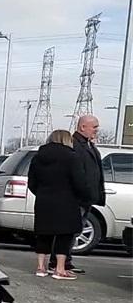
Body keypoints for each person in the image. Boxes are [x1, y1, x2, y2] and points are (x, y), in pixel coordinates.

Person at [28, 129, 90, 280]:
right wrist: (83, 197)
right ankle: (59, 269)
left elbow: (32, 182)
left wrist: (42, 193)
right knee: (65, 234)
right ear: (67, 140)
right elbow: (79, 182)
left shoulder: (38, 158)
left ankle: (41, 267)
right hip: (66, 201)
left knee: (43, 233)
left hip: (43, 200)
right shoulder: (72, 157)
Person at [49, 115, 105, 274]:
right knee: (68, 231)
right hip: (76, 197)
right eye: (94, 127)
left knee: (75, 230)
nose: (96, 130)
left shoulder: (89, 146)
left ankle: (66, 261)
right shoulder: (73, 145)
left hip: (87, 197)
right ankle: (58, 263)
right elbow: (74, 173)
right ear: (83, 127)